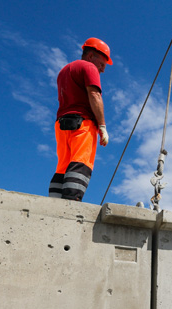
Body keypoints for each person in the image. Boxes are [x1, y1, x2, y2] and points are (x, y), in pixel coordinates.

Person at [49, 37, 112, 202]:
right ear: (91, 56)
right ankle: (71, 202)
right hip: (82, 122)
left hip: (61, 124)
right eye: (102, 64)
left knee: (63, 166)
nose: (103, 70)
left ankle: (54, 202)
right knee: (81, 162)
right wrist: (102, 126)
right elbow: (94, 94)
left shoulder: (64, 71)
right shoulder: (89, 67)